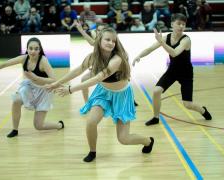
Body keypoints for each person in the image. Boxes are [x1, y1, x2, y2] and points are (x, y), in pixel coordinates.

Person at [45, 27, 154, 162]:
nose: (111, 43)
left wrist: (70, 89)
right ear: (99, 40)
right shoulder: (92, 57)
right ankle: (92, 151)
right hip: (103, 93)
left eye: (113, 41)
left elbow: (97, 78)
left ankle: (148, 141)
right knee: (91, 122)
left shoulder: (117, 59)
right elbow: (77, 71)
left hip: (122, 96)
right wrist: (56, 84)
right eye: (107, 39)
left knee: (123, 139)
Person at [132, 13, 212, 126]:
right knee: (156, 91)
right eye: (178, 23)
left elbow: (174, 53)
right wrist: (138, 56)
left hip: (186, 74)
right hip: (172, 71)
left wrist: (162, 42)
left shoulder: (186, 40)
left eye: (183, 24)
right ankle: (155, 117)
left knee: (187, 104)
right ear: (172, 24)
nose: (181, 26)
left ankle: (203, 110)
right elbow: (150, 49)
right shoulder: (166, 38)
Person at [0, 37, 64, 138]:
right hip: (30, 87)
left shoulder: (43, 61)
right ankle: (15, 129)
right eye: (30, 48)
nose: (33, 51)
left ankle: (59, 125)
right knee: (16, 100)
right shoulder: (24, 58)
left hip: (44, 91)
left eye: (36, 49)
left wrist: (36, 78)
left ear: (40, 50)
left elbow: (54, 80)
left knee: (38, 126)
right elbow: (5, 64)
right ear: (27, 49)